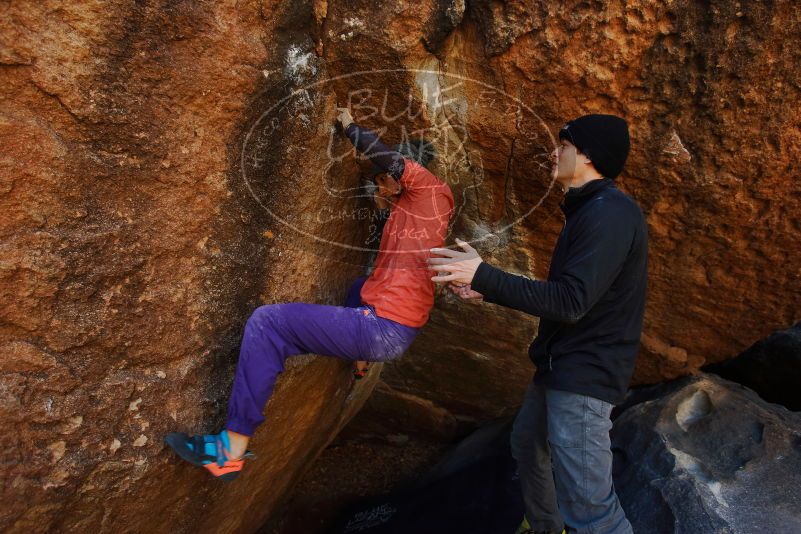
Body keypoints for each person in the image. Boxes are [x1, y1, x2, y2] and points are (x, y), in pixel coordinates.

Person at [165, 107, 454, 481]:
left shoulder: (431, 188)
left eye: (382, 181)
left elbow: (389, 160)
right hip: (391, 330)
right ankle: (362, 363)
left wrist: (350, 126)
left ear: (401, 177)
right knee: (357, 286)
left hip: (382, 329)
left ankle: (229, 451)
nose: (380, 188)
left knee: (268, 323)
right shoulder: (416, 212)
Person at [429, 114, 647, 534]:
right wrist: (486, 288)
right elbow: (566, 294)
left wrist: (484, 274)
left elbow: (571, 303)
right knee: (528, 445)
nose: (554, 151)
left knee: (592, 508)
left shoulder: (610, 214)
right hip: (558, 369)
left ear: (587, 157)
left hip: (583, 378)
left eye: (564, 145)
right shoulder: (590, 212)